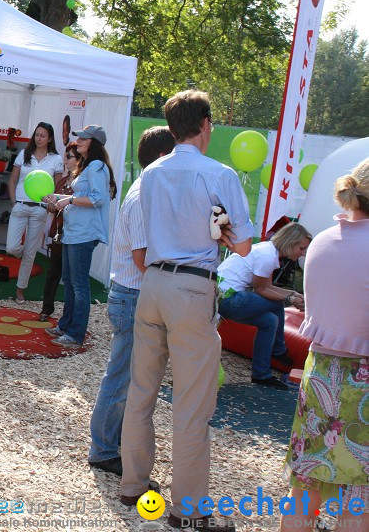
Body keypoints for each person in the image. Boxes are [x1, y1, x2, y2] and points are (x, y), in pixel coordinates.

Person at [120, 90, 253, 532]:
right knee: (191, 405)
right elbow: (244, 244)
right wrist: (219, 233)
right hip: (193, 287)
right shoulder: (219, 172)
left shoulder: (152, 174)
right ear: (206, 124)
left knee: (141, 390)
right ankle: (189, 510)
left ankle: (133, 484)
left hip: (152, 283)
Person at [280, 158, 369, 532]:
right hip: (363, 380)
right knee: (359, 493)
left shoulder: (320, 242)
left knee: (306, 480)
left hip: (320, 375)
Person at [87, 126, 175, 477]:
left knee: (129, 376)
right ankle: (103, 448)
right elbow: (142, 260)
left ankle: (113, 443)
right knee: (121, 377)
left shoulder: (149, 192)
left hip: (136, 294)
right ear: (159, 158)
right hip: (133, 295)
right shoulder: (143, 196)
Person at [44, 125, 117, 346]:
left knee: (78, 284)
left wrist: (68, 200)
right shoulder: (89, 165)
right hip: (75, 232)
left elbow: (97, 199)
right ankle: (65, 326)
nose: (79, 141)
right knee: (70, 281)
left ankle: (75, 333)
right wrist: (57, 196)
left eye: (84, 139)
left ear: (93, 143)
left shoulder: (96, 166)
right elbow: (83, 195)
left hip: (84, 234)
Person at [217, 222, 312, 388]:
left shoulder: (268, 251)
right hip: (227, 298)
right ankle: (279, 350)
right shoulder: (268, 256)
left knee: (269, 321)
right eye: (301, 248)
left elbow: (267, 287)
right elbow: (261, 289)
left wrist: (294, 295)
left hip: (225, 296)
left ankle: (261, 374)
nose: (303, 254)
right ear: (290, 242)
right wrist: (289, 299)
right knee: (275, 305)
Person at [6, 121, 62, 302]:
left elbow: (57, 188)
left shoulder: (56, 159)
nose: (38, 138)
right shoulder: (24, 154)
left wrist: (51, 206)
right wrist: (14, 202)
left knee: (31, 252)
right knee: (12, 247)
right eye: (37, 135)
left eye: (43, 135)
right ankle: (24, 255)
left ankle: (20, 291)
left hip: (40, 209)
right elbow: (12, 181)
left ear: (50, 138)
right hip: (20, 206)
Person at [39, 145, 78, 321]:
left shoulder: (81, 183)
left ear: (78, 160)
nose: (65, 159)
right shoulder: (62, 182)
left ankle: (70, 317)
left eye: (69, 156)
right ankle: (46, 309)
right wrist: (50, 204)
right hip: (59, 232)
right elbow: (53, 208)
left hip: (75, 234)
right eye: (65, 156)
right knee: (53, 271)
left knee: (71, 278)